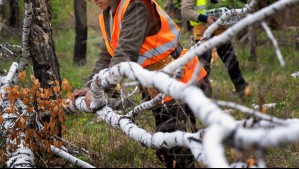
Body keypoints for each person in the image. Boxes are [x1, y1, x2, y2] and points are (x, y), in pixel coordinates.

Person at [72, 0, 212, 168]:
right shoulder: (110, 12)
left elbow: (125, 52)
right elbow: (108, 52)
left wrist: (100, 89)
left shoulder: (136, 5)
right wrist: (91, 85)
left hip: (178, 77)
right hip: (155, 83)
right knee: (169, 146)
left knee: (176, 147)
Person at [181, 0, 250, 98]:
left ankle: (242, 90)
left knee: (231, 60)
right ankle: (203, 97)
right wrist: (205, 18)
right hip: (202, 30)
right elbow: (185, 11)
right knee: (203, 67)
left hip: (219, 27)